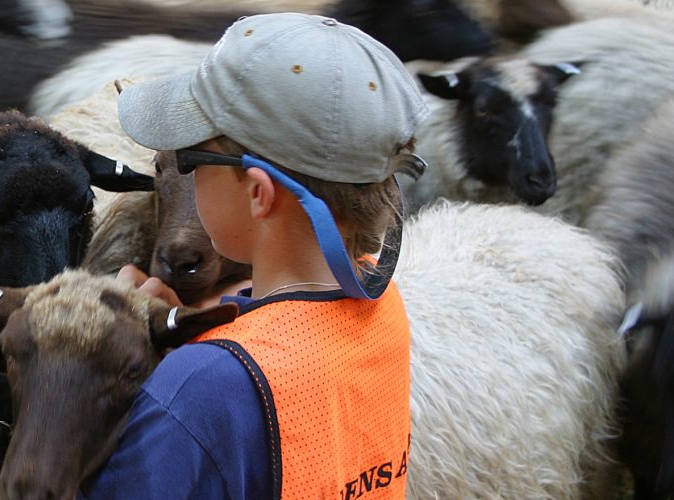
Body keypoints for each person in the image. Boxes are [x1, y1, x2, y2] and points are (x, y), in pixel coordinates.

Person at [78, 12, 428, 499]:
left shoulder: (198, 391)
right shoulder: (383, 301)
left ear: (260, 194)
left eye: (190, 159)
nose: (186, 176)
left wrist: (117, 375)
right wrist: (199, 338)